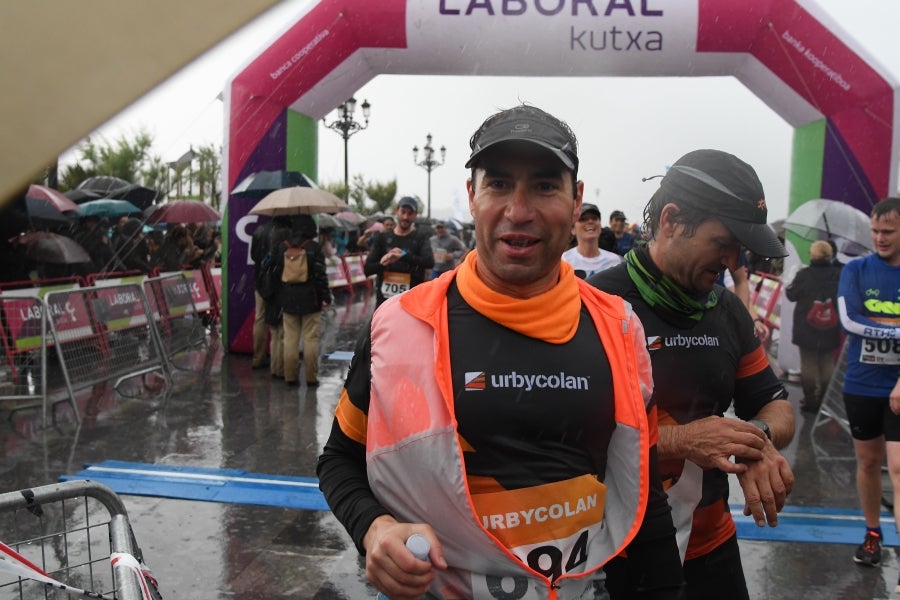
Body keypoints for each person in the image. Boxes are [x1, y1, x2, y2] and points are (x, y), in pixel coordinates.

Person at [318, 104, 685, 600]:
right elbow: (339, 458)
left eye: (544, 185)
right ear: (472, 196)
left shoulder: (619, 326)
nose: (518, 210)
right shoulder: (400, 324)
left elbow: (646, 495)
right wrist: (374, 528)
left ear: (576, 200)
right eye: (498, 184)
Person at [589, 149, 795, 600]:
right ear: (671, 219)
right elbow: (561, 434)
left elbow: (776, 405)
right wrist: (684, 440)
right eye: (723, 242)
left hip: (710, 548)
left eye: (740, 247)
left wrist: (754, 437)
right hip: (612, 551)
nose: (733, 259)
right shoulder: (594, 305)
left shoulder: (727, 311)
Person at [836, 197, 900, 571]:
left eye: (888, 231)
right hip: (862, 382)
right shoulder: (857, 269)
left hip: (897, 387)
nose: (880, 238)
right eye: (875, 231)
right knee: (869, 461)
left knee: (897, 464)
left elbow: (863, 318)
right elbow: (850, 319)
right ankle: (873, 532)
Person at [784, 240, 843, 413]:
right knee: (827, 362)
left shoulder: (803, 274)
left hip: (806, 326)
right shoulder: (838, 274)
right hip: (831, 325)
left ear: (813, 255)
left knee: (808, 363)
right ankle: (824, 399)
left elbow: (792, 295)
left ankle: (810, 400)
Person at [278, 215, 331, 387]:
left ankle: (290, 377)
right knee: (310, 339)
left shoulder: (283, 247)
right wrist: (325, 296)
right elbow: (320, 276)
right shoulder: (314, 248)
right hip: (311, 299)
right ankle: (310, 377)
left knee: (290, 339)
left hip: (288, 298)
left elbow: (277, 272)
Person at [364, 197, 434, 307]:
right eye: (403, 212)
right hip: (385, 303)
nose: (405, 217)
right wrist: (383, 264)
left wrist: (404, 256)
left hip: (411, 302)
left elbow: (429, 262)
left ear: (415, 215)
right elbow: (367, 270)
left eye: (410, 213)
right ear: (397, 211)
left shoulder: (420, 238)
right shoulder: (381, 238)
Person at [561, 203, 623, 279]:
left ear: (600, 226)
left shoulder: (616, 261)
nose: (590, 221)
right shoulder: (563, 261)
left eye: (594, 218)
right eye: (583, 219)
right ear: (573, 229)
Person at [250, 219, 274, 369]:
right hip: (277, 281)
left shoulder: (259, 230)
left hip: (260, 279)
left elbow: (253, 256)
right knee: (277, 322)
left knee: (259, 317)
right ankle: (278, 361)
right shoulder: (285, 231)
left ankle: (258, 357)